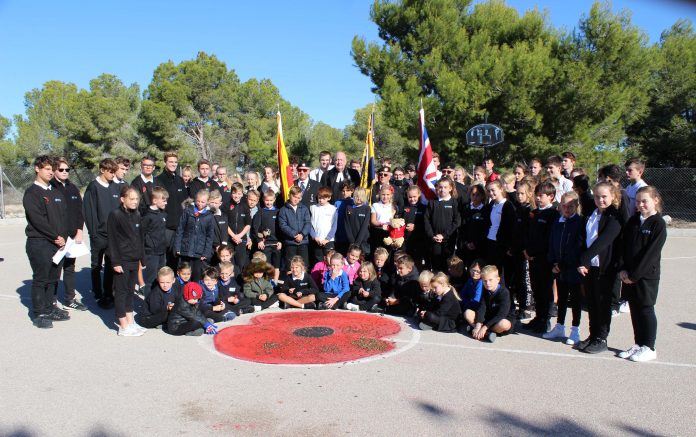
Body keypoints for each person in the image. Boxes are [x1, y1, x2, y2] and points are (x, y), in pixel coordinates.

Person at [617, 186, 667, 362]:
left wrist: (634, 275)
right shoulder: (632, 221)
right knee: (635, 310)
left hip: (645, 276)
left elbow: (650, 254)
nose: (641, 204)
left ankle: (650, 347)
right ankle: (638, 344)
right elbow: (623, 247)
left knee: (645, 309)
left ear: (655, 200)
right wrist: (623, 269)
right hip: (628, 275)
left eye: (644, 201)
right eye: (637, 201)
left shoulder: (658, 224)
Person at [24, 155, 70, 328]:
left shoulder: (55, 192)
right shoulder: (32, 193)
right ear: (37, 169)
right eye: (47, 169)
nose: (51, 172)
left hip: (58, 244)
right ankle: (39, 313)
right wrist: (55, 237)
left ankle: (50, 308)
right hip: (40, 243)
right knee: (41, 279)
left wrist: (64, 237)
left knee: (53, 278)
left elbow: (63, 218)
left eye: (52, 169)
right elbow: (38, 220)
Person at [577, 182, 623, 354]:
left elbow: (603, 242)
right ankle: (593, 334)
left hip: (604, 267)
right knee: (591, 302)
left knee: (602, 304)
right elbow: (584, 238)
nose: (600, 200)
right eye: (597, 196)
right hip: (589, 267)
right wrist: (582, 261)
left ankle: (602, 337)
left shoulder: (615, 217)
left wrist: (584, 260)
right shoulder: (592, 214)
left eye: (604, 196)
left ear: (613, 197)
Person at [545, 191, 585, 345]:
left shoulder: (580, 222)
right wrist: (553, 262)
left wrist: (563, 264)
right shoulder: (558, 222)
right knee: (561, 298)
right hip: (558, 268)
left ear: (576, 206)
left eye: (571, 206)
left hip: (572, 268)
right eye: (564, 206)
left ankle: (575, 330)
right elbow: (552, 243)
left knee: (574, 300)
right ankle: (559, 326)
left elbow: (577, 247)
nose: (567, 209)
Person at [107, 185, 146, 337]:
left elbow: (140, 238)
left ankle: (131, 321)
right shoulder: (115, 215)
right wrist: (115, 262)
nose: (135, 202)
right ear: (123, 199)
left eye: (137, 199)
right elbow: (112, 240)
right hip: (122, 260)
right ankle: (123, 325)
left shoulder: (137, 215)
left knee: (130, 291)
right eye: (132, 199)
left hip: (134, 259)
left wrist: (141, 258)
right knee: (121, 292)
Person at [50, 157, 86, 311]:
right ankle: (51, 301)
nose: (65, 172)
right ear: (54, 171)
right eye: (61, 170)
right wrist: (55, 236)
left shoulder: (72, 188)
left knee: (70, 268)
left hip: (72, 237)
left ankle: (69, 299)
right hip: (57, 238)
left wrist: (79, 231)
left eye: (67, 170)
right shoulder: (50, 187)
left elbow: (80, 211)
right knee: (55, 269)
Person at [83, 158, 120, 309]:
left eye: (114, 172)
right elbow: (89, 212)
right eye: (110, 172)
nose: (113, 174)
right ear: (102, 170)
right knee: (96, 266)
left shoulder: (115, 187)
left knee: (111, 265)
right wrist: (94, 233)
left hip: (113, 236)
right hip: (99, 235)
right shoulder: (93, 187)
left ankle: (108, 293)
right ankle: (98, 295)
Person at [523, 182, 560, 333]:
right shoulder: (534, 213)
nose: (537, 198)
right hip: (531, 258)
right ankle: (538, 317)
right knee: (536, 288)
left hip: (544, 259)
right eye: (536, 195)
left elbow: (548, 239)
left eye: (541, 196)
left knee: (545, 290)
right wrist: (526, 251)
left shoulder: (553, 214)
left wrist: (536, 253)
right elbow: (528, 234)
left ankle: (545, 319)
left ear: (551, 197)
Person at [154, 152, 188, 269]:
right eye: (170, 162)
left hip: (179, 227)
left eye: (175, 162)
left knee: (175, 260)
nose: (173, 164)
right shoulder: (159, 180)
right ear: (165, 162)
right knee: (162, 260)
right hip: (165, 227)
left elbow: (185, 202)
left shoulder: (180, 180)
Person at [174, 189, 215, 282]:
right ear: (195, 200)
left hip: (199, 252)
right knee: (184, 275)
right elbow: (180, 229)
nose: (200, 203)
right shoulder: (188, 211)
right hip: (185, 250)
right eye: (198, 201)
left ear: (208, 202)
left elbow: (210, 236)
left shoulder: (209, 216)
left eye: (203, 202)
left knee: (196, 276)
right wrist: (177, 247)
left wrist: (206, 252)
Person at [483, 180, 515, 286]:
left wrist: (508, 246)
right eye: (489, 191)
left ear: (501, 189)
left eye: (493, 190)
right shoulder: (491, 204)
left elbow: (510, 227)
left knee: (500, 274)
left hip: (501, 244)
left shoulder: (508, 205)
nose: (491, 193)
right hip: (490, 241)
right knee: (490, 272)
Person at [472, 265, 514, 343]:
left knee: (504, 324)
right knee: (468, 313)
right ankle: (482, 332)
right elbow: (482, 307)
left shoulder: (504, 292)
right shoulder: (485, 289)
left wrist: (484, 327)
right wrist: (478, 324)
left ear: (498, 280)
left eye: (490, 280)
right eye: (485, 281)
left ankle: (481, 332)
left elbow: (501, 315)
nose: (487, 283)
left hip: (500, 319)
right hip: (489, 317)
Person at [141, 186, 169, 293]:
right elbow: (142, 235)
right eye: (163, 200)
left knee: (161, 278)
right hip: (151, 253)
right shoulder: (147, 216)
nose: (165, 203)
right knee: (150, 279)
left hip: (162, 251)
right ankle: (147, 306)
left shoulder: (162, 213)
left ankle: (157, 301)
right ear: (154, 200)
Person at [278, 185, 311, 269]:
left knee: (304, 266)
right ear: (289, 195)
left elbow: (308, 223)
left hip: (303, 242)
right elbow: (283, 225)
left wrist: (302, 235)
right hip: (290, 243)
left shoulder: (304, 208)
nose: (296, 199)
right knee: (291, 266)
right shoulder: (283, 210)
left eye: (298, 197)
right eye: (294, 196)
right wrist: (295, 234)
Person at [253, 190, 282, 278]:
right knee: (266, 265)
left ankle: (275, 283)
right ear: (263, 200)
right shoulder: (260, 212)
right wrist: (259, 241)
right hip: (265, 244)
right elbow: (255, 228)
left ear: (274, 200)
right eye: (266, 200)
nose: (268, 202)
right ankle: (267, 283)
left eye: (270, 200)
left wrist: (280, 241)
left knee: (276, 266)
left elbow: (281, 229)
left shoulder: (278, 212)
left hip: (276, 244)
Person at [458, 184, 487, 267]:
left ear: (482, 196)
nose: (475, 197)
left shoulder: (486, 210)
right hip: (466, 245)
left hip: (480, 246)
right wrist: (466, 243)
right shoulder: (466, 208)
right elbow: (462, 227)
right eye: (473, 195)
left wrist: (476, 243)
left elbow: (485, 229)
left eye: (478, 195)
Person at [309, 186, 337, 264]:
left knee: (330, 261)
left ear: (329, 198)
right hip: (317, 241)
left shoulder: (333, 209)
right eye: (319, 198)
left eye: (323, 198)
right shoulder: (313, 208)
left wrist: (327, 239)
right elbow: (310, 224)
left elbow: (334, 226)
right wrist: (315, 237)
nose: (321, 200)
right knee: (318, 262)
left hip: (328, 241)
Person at [227, 183, 252, 269]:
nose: (236, 196)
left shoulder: (245, 206)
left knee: (240, 264)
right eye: (234, 193)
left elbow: (248, 224)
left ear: (242, 194)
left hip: (241, 239)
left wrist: (239, 236)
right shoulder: (226, 205)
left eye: (239, 193)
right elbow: (224, 224)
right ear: (231, 193)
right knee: (229, 264)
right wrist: (233, 236)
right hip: (229, 239)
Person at [402, 185, 426, 268]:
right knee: (405, 263)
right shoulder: (404, 207)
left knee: (417, 263)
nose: (412, 199)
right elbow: (399, 221)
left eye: (414, 196)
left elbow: (426, 224)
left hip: (418, 241)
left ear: (419, 195)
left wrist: (415, 227)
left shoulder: (424, 208)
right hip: (405, 240)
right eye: (410, 197)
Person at [342, 186, 371, 256]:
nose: (358, 198)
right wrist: (352, 242)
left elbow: (364, 227)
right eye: (357, 196)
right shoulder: (348, 208)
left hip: (363, 242)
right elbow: (347, 225)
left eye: (361, 196)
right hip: (350, 242)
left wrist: (357, 243)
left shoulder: (367, 209)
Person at [460, 259, 484, 327]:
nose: (474, 273)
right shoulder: (470, 280)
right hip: (469, 304)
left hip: (477, 309)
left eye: (478, 271)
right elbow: (461, 294)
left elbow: (476, 300)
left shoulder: (481, 282)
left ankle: (477, 327)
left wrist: (464, 301)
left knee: (466, 312)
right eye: (473, 270)